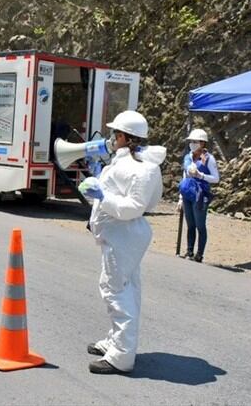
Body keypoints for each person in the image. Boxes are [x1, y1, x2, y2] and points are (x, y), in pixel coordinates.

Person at [78, 111, 165, 375]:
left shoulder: (144, 169)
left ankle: (122, 356)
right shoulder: (130, 163)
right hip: (118, 234)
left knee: (115, 290)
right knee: (126, 288)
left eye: (116, 134)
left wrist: (102, 196)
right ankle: (115, 342)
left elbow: (134, 208)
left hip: (124, 236)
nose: (112, 138)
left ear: (126, 137)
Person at [177, 128, 220, 263]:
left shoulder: (208, 159)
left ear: (202, 143)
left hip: (201, 195)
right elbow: (185, 174)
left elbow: (216, 178)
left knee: (200, 225)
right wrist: (180, 197)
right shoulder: (188, 157)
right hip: (188, 192)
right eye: (191, 141)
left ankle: (199, 254)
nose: (192, 144)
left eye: (195, 142)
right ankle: (189, 250)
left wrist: (201, 175)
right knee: (190, 224)